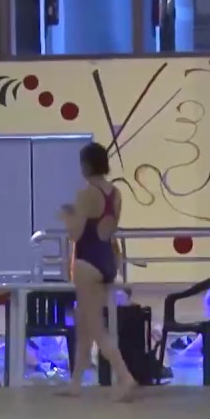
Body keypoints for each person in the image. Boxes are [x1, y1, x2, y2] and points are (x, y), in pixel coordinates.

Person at [57, 142, 137, 400]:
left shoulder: (86, 194)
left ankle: (124, 377)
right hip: (106, 261)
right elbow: (110, 229)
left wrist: (67, 217)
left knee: (95, 327)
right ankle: (76, 383)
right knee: (84, 325)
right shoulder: (116, 193)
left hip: (86, 263)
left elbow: (76, 234)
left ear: (87, 165)